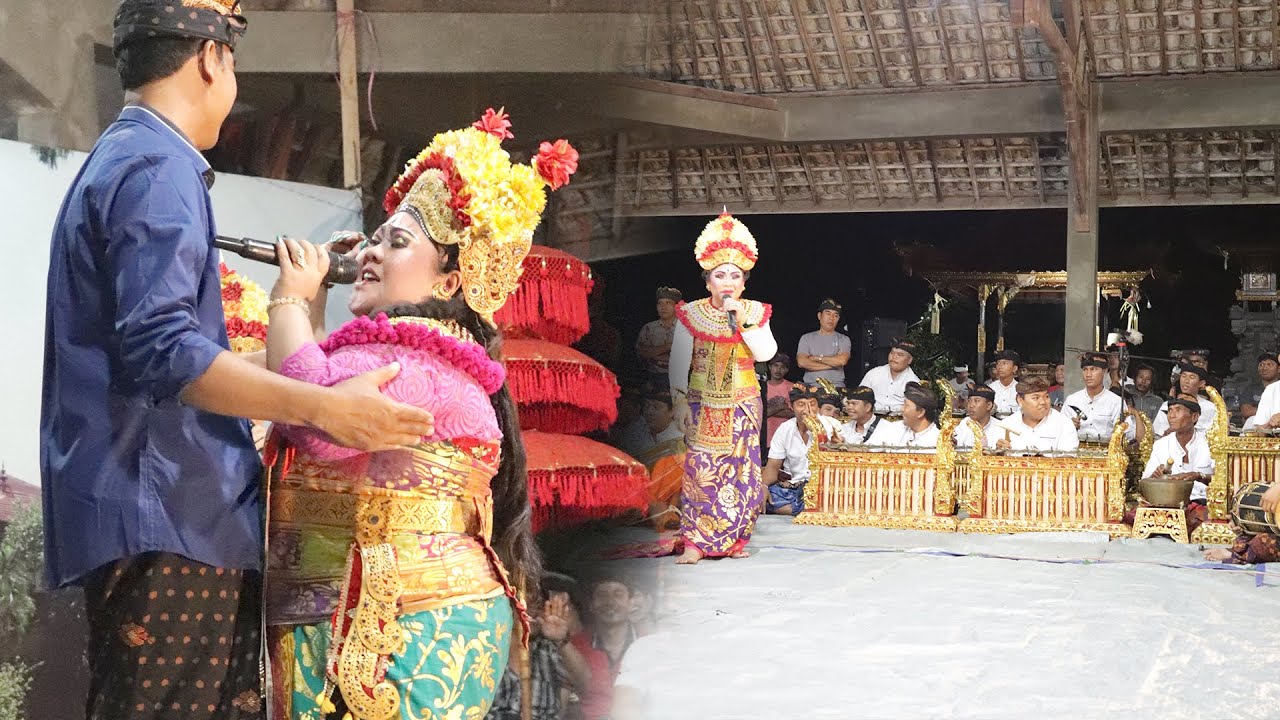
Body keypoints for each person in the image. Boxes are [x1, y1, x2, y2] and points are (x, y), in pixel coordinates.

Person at [41, 4, 434, 718]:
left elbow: (148, 355)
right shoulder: (157, 167)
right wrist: (325, 407)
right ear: (209, 58)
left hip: (163, 510)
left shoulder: (130, 156)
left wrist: (297, 343)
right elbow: (165, 352)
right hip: (170, 509)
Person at [262, 110, 575, 718]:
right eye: (375, 238)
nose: (371, 251)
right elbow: (313, 392)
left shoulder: (413, 362)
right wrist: (312, 307)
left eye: (397, 242)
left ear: (451, 281)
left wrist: (290, 298)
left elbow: (312, 415)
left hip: (400, 623)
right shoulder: (407, 356)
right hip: (372, 611)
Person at [669, 213, 778, 565]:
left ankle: (735, 539)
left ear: (743, 282)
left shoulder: (754, 312)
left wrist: (743, 321)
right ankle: (695, 542)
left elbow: (766, 353)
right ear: (708, 282)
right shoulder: (691, 314)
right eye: (720, 275)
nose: (727, 281)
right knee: (700, 472)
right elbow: (678, 362)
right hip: (702, 404)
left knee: (742, 471)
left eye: (734, 275)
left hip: (743, 403)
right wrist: (678, 402)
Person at [763, 384, 843, 516]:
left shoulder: (832, 425)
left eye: (812, 404)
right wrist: (763, 487)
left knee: (834, 498)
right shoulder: (785, 429)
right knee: (762, 497)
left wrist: (816, 428)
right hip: (795, 487)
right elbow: (772, 466)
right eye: (801, 404)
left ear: (818, 407)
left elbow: (838, 460)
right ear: (791, 406)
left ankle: (799, 509)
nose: (807, 409)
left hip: (825, 487)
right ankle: (806, 509)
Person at [570, 576, 640, 720]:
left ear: (631, 603)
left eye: (618, 595)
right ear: (591, 605)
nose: (610, 602)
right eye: (602, 595)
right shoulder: (573, 646)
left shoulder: (649, 645)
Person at [1141, 396, 1214, 506]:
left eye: (1178, 410)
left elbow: (1223, 480)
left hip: (1204, 502)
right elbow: (1144, 484)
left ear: (1194, 417)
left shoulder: (1210, 444)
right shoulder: (1161, 445)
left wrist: (1199, 476)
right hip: (1167, 502)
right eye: (1170, 410)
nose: (1171, 416)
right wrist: (1155, 476)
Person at [993, 378, 1079, 452]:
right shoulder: (1006, 425)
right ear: (1020, 400)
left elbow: (1069, 458)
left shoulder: (1064, 424)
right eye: (1035, 398)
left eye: (1046, 396)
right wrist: (999, 452)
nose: (1043, 402)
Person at [1063, 352, 1128, 443]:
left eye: (1093, 369)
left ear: (1104, 371)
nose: (1088, 374)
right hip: (1077, 448)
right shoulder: (1072, 400)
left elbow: (1127, 433)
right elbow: (1060, 431)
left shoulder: (1116, 402)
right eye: (1085, 369)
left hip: (1106, 449)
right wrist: (1069, 427)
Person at [796, 299, 851, 387]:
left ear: (838, 319)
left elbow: (842, 360)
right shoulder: (806, 338)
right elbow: (802, 362)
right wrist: (834, 365)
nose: (831, 318)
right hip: (811, 387)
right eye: (828, 313)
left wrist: (816, 358)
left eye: (835, 315)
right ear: (819, 316)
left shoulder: (843, 339)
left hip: (836, 387)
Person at [1152, 364, 1218, 436]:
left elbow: (1212, 434)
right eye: (1183, 376)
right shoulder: (1166, 405)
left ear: (1201, 383)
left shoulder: (1210, 407)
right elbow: (1157, 432)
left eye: (1192, 377)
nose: (1186, 381)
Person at [634, 286, 682, 388]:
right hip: (652, 379)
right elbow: (642, 353)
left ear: (676, 306)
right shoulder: (649, 328)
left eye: (668, 303)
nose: (663, 307)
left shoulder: (686, 329)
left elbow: (689, 360)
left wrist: (655, 354)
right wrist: (668, 346)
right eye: (660, 303)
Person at [857, 339, 921, 413]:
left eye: (900, 355)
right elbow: (859, 397)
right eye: (892, 353)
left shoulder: (913, 382)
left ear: (910, 360)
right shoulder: (874, 373)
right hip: (872, 416)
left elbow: (914, 411)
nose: (894, 357)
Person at [889, 382, 942, 449]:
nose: (902, 409)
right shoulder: (895, 428)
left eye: (906, 406)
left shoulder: (936, 441)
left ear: (921, 412)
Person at [953, 385, 999, 450]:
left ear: (989, 405)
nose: (971, 405)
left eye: (976, 401)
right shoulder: (962, 425)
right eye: (969, 401)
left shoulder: (999, 428)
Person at [1240, 352, 1279, 426]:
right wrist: (1273, 412)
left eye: (1269, 364)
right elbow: (1247, 411)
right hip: (1256, 429)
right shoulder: (1250, 389)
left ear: (1279, 369)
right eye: (1261, 365)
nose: (1264, 368)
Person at [763, 352, 794, 445]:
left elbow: (793, 413)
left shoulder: (792, 387)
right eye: (776, 365)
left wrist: (769, 411)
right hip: (766, 436)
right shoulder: (762, 387)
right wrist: (781, 407)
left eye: (783, 367)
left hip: (786, 436)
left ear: (787, 370)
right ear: (770, 367)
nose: (778, 370)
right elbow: (761, 413)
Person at [987, 349, 1022, 416]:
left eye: (1004, 363)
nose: (1000, 367)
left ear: (1014, 368)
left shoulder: (1021, 389)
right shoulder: (990, 388)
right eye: (998, 363)